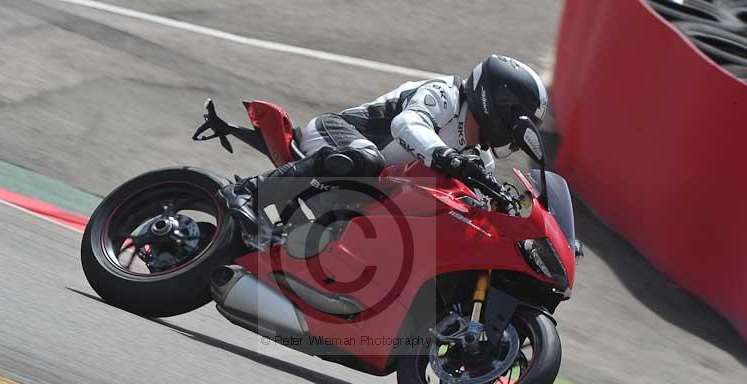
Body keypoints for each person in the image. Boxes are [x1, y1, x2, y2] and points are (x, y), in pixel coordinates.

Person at [217, 54, 548, 234]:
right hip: (336, 135)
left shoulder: (481, 158)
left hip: (371, 189)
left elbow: (476, 203)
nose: (518, 132)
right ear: (499, 104)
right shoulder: (445, 95)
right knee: (367, 158)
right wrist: (445, 156)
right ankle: (249, 192)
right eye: (519, 120)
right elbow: (407, 124)